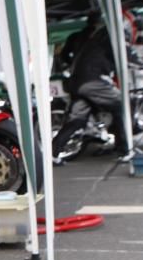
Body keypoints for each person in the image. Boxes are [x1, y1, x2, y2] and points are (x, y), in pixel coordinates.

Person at [51, 25, 128, 161]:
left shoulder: (89, 43)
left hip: (76, 83)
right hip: (92, 82)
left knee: (76, 121)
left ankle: (53, 154)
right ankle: (123, 149)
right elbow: (126, 59)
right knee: (120, 106)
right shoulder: (107, 44)